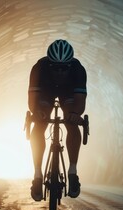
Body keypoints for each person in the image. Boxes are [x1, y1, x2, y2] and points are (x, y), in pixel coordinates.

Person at [28, 39, 87, 201]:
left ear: (70, 65)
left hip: (69, 92)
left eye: (64, 68)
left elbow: (79, 102)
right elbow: (33, 101)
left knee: (71, 121)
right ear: (49, 65)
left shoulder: (78, 70)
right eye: (55, 68)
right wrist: (37, 113)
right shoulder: (39, 69)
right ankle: (38, 175)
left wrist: (75, 114)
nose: (60, 72)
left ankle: (72, 172)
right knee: (40, 123)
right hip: (45, 91)